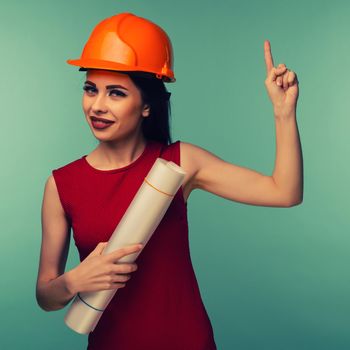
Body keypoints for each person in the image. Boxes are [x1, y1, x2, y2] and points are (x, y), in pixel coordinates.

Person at [36, 12, 302, 350]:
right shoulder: (62, 185)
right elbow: (45, 295)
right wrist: (75, 279)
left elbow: (285, 192)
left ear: (146, 105)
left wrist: (284, 113)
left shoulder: (179, 163)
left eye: (116, 93)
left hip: (187, 341)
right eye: (91, 89)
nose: (97, 106)